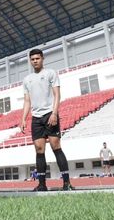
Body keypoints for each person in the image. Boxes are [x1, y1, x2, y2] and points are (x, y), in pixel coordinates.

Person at [20, 49, 74, 192]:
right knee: (39, 150)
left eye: (37, 58)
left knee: (56, 146)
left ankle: (66, 183)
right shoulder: (27, 79)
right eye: (32, 59)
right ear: (30, 61)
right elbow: (27, 101)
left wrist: (54, 113)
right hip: (36, 118)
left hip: (49, 114)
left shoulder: (51, 73)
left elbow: (57, 95)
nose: (35, 61)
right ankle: (42, 184)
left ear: (42, 58)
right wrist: (23, 118)